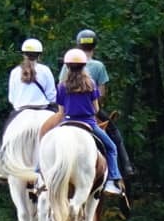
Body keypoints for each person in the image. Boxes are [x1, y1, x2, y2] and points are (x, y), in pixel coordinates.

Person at [39, 48, 123, 196]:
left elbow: (61, 111)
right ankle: (112, 180)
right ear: (84, 66)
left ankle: (39, 176)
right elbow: (96, 109)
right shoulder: (90, 84)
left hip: (67, 122)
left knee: (44, 145)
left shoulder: (62, 86)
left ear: (67, 66)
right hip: (88, 124)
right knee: (111, 147)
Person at [76, 27, 135, 183]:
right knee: (114, 134)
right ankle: (123, 168)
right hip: (90, 111)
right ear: (94, 46)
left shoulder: (67, 66)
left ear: (78, 46)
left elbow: (60, 88)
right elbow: (101, 93)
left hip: (68, 112)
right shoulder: (98, 66)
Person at [6, 37, 57, 112]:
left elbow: (11, 98)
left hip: (20, 110)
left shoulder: (15, 72)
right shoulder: (45, 70)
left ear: (23, 54)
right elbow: (51, 96)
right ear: (39, 55)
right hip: (42, 109)